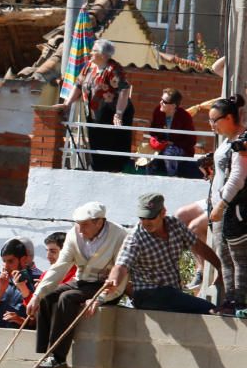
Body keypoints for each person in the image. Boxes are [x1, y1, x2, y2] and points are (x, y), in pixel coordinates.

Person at [26, 202, 128, 368]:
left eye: (85, 225)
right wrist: (37, 294)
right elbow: (60, 266)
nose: (80, 230)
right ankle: (46, 354)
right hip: (82, 281)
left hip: (105, 285)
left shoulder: (119, 235)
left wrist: (102, 298)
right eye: (78, 225)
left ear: (99, 222)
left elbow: (122, 272)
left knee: (67, 298)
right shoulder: (74, 234)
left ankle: (58, 358)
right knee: (46, 297)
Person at [103, 193, 221, 314]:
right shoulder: (135, 237)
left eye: (151, 217)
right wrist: (114, 281)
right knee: (209, 309)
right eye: (142, 218)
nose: (146, 222)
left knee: (197, 306)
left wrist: (220, 266)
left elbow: (198, 246)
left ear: (163, 213)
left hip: (171, 293)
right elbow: (121, 265)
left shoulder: (175, 225)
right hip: (148, 295)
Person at [57, 39, 135, 173]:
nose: (90, 53)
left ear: (103, 55)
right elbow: (78, 85)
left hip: (114, 114)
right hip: (95, 113)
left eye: (94, 50)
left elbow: (124, 90)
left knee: (113, 145)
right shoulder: (89, 66)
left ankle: (115, 171)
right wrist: (67, 104)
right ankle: (99, 171)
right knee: (96, 142)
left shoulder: (114, 69)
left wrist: (119, 113)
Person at [207, 95, 247, 314]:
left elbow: (238, 177)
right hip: (220, 207)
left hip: (235, 208)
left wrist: (221, 205)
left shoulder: (243, 139)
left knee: (238, 256)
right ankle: (230, 300)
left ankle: (238, 302)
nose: (212, 125)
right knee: (224, 255)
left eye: (216, 120)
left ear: (229, 117)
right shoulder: (226, 140)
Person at [176, 154, 217, 290]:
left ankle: (203, 271)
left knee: (194, 228)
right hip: (213, 198)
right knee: (180, 216)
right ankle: (197, 266)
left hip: (227, 201)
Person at [0, 239, 37, 328]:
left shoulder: (36, 280)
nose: (5, 266)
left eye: (10, 261)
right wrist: (0, 291)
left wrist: (21, 321)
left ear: (23, 259)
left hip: (24, 338)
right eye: (4, 261)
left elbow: (42, 319)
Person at [148, 88, 200, 178]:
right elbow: (152, 131)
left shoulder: (184, 116)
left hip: (180, 148)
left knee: (169, 151)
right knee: (147, 150)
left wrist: (173, 143)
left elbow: (191, 141)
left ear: (173, 105)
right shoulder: (158, 111)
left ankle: (172, 177)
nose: (160, 102)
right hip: (162, 145)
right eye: (161, 99)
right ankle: (149, 177)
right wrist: (157, 141)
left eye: (164, 101)